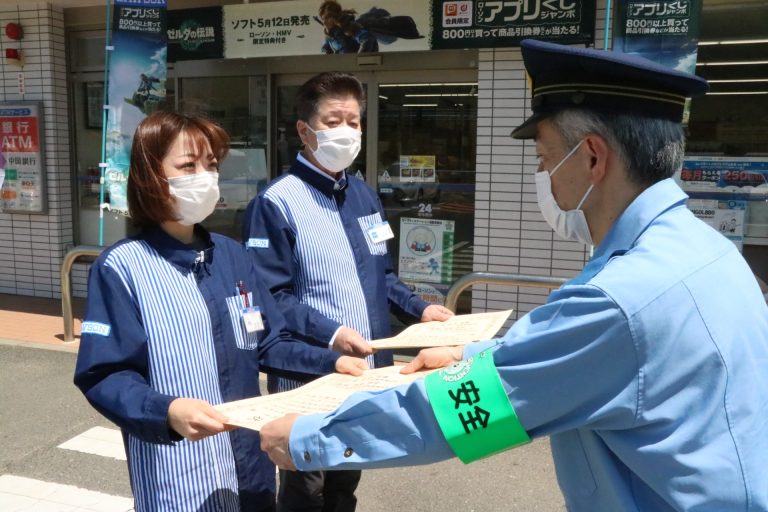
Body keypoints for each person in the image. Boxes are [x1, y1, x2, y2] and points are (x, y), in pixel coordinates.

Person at [258, 40, 768, 511]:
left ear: (592, 156)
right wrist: (469, 353)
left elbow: (466, 415)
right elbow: (576, 355)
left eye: (545, 157)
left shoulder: (619, 300)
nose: (542, 173)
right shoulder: (710, 251)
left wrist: (310, 439)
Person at [73, 111, 367, 512]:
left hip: (250, 465)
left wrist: (331, 362)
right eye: (188, 166)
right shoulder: (122, 268)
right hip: (178, 470)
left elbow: (269, 341)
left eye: (211, 165)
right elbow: (104, 374)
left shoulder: (232, 256)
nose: (205, 176)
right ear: (150, 175)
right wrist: (168, 410)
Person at [242, 71, 453, 512]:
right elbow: (272, 296)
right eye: (334, 120)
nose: (348, 131)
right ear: (305, 130)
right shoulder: (276, 202)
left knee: (345, 484)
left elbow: (384, 276)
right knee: (306, 487)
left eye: (354, 121)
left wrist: (421, 310)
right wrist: (335, 333)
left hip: (365, 375)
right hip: (309, 375)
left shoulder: (363, 195)